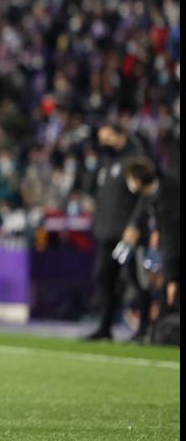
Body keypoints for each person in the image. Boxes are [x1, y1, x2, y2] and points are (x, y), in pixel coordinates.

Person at [84, 122, 150, 340]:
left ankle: (144, 329)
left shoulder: (135, 158)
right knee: (104, 278)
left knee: (137, 280)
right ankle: (105, 328)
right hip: (106, 233)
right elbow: (88, 188)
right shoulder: (106, 161)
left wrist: (135, 224)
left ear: (121, 135)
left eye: (108, 137)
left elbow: (145, 195)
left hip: (127, 235)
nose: (103, 142)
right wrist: (92, 162)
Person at [123, 157, 180, 337]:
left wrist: (171, 277)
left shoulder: (169, 193)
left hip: (174, 248)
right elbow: (142, 211)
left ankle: (163, 331)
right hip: (168, 246)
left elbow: (172, 237)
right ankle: (156, 331)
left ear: (138, 180)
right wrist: (134, 225)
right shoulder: (151, 192)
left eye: (130, 178)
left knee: (169, 293)